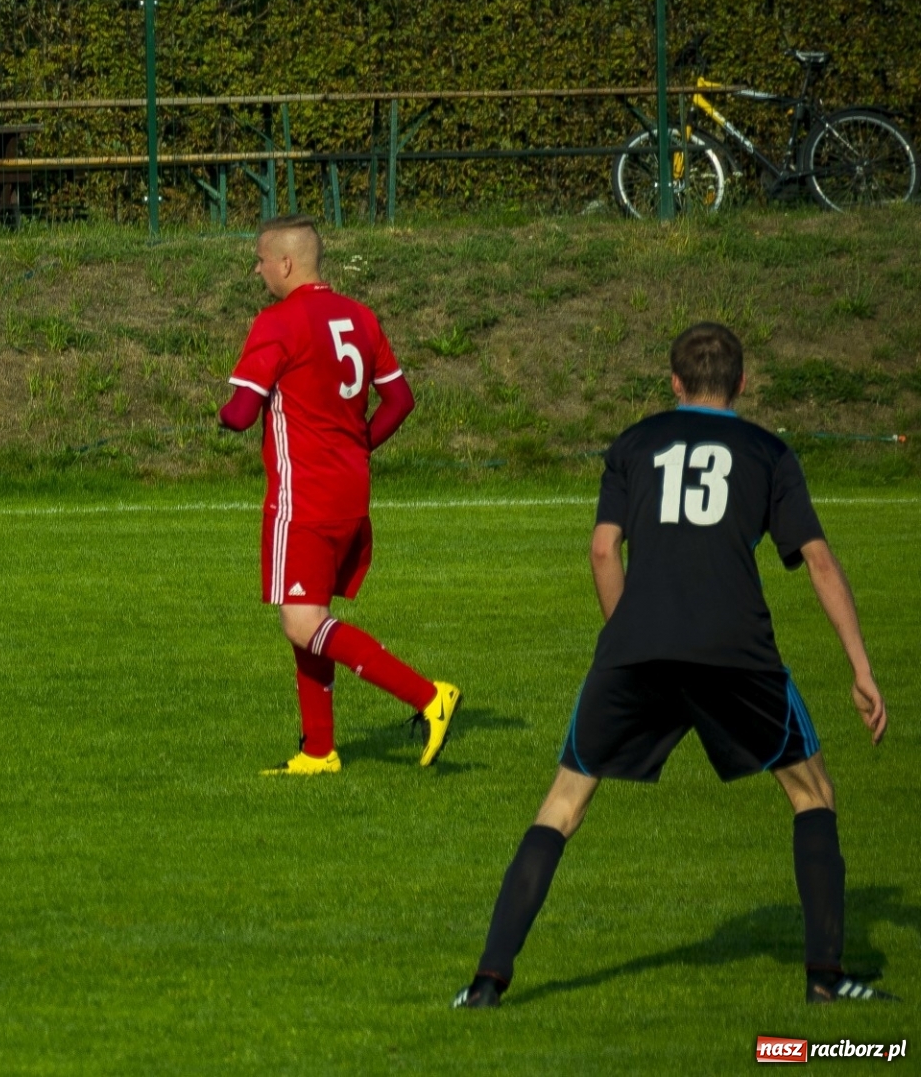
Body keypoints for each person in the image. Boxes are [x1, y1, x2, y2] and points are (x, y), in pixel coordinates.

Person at [453, 322, 892, 1009]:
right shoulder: (769, 452)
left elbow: (604, 552)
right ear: (744, 384)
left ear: (674, 384)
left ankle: (486, 983)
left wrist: (631, 636)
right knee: (813, 796)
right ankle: (826, 979)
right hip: (736, 651)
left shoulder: (634, 443)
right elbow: (818, 560)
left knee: (563, 804)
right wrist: (861, 668)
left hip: (635, 651)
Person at [219, 214, 460, 776]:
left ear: (285, 263)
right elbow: (400, 400)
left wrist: (223, 417)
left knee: (301, 624)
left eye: (260, 260)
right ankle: (318, 750)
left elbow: (240, 412)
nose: (257, 270)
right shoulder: (359, 316)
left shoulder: (279, 321)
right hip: (350, 491)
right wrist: (359, 446)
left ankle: (428, 695)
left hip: (303, 495)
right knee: (314, 616)